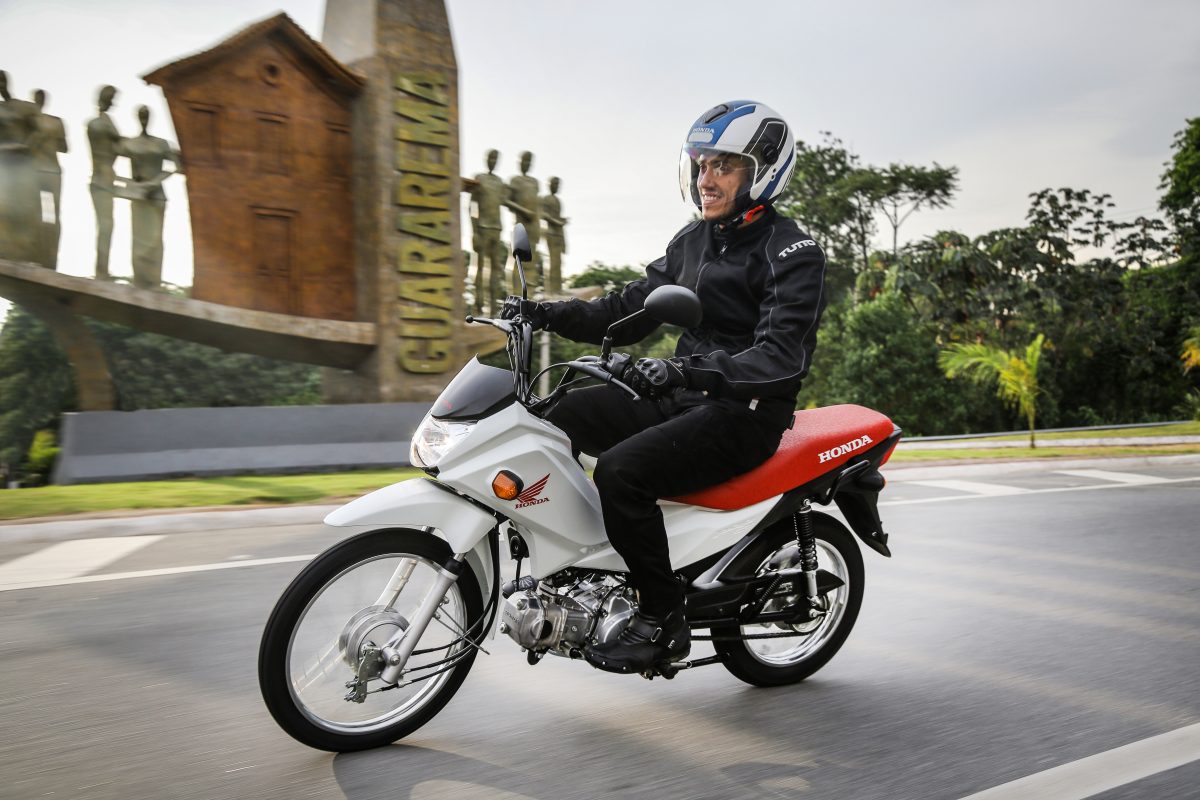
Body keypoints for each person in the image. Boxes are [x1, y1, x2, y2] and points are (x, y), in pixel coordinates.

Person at [503, 100, 826, 674]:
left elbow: (780, 354)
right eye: (701, 165)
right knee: (554, 417)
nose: (706, 179)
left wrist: (685, 371)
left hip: (743, 413)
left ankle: (662, 616)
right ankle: (578, 560)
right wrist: (542, 313)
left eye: (724, 165)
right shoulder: (692, 241)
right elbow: (626, 310)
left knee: (622, 472)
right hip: (680, 397)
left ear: (763, 171)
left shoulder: (791, 251)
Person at [118, 105, 181, 290]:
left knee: (155, 239)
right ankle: (140, 280)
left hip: (156, 195)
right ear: (137, 117)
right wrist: (127, 182)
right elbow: (108, 156)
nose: (144, 119)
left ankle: (154, 281)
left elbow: (177, 166)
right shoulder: (130, 143)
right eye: (141, 116)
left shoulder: (161, 144)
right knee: (138, 237)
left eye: (146, 116)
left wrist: (155, 182)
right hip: (138, 195)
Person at [86, 85, 122, 279]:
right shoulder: (101, 124)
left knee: (106, 225)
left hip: (103, 177)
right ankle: (101, 270)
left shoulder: (102, 122)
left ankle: (102, 268)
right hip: (102, 179)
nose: (113, 103)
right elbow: (120, 145)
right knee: (106, 225)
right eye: (111, 99)